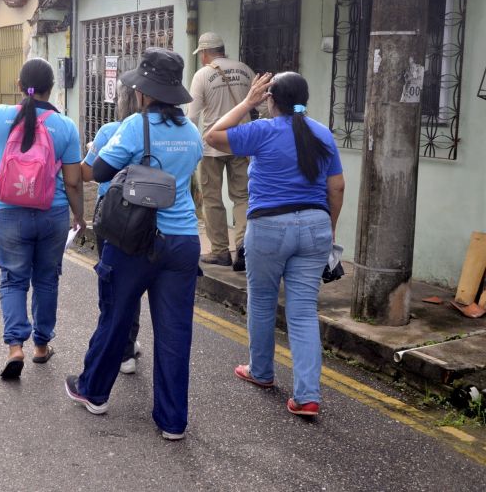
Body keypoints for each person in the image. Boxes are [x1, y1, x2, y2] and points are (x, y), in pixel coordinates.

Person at [65, 48, 203, 441]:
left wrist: (85, 152)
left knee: (117, 316)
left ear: (144, 92)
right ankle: (173, 421)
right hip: (183, 242)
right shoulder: (191, 132)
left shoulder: (134, 126)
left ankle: (94, 391)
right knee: (175, 331)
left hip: (135, 240)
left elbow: (95, 173)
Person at [204, 71, 345, 417]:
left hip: (268, 226)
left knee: (263, 300)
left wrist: (246, 102)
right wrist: (329, 229)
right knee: (302, 312)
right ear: (305, 99)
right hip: (315, 226)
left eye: (265, 99)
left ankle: (261, 371)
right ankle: (307, 396)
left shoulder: (262, 130)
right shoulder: (323, 134)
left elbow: (212, 135)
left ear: (271, 99)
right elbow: (337, 188)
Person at [0, 58, 85, 380]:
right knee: (46, 278)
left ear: (18, 84)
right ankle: (41, 345)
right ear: (51, 88)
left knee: (12, 278)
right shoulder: (65, 126)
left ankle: (15, 347)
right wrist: (79, 216)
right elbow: (73, 181)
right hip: (51, 213)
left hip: (9, 212)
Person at [81, 82, 142, 375]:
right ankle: (129, 344)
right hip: (145, 215)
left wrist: (90, 152)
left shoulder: (109, 131)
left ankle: (119, 350)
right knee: (133, 281)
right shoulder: (153, 131)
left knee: (110, 281)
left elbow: (89, 172)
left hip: (112, 212)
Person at [188, 32, 259, 270]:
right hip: (242, 143)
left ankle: (219, 251)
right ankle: (243, 246)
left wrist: (190, 145)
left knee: (212, 198)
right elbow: (262, 105)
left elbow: (193, 116)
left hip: (212, 145)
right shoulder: (245, 70)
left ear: (206, 53)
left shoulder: (203, 75)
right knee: (243, 197)